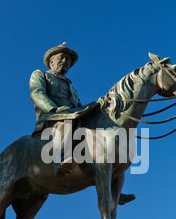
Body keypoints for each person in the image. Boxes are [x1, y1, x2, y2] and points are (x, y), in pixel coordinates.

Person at [29, 43, 135, 205]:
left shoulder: (72, 87)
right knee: (68, 121)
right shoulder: (40, 75)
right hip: (52, 118)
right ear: (51, 62)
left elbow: (78, 106)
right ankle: (62, 158)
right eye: (61, 58)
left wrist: (95, 107)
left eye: (68, 60)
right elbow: (37, 93)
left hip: (73, 116)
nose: (65, 61)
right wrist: (54, 109)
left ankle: (114, 186)